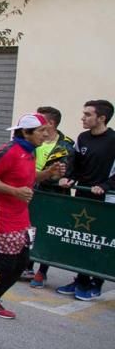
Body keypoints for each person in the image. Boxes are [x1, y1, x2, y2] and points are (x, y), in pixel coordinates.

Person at [0, 113, 48, 318]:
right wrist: (14, 191)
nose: (45, 135)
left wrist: (49, 173)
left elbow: (27, 176)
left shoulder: (31, 151)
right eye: (41, 131)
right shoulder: (9, 151)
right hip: (2, 217)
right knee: (5, 263)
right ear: (26, 132)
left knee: (21, 264)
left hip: (22, 218)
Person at [55, 99, 115, 300]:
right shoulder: (83, 137)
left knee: (98, 242)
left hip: (104, 199)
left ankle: (96, 283)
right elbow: (76, 164)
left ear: (101, 118)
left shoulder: (113, 140)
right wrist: (68, 177)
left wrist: (105, 186)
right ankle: (80, 280)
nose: (83, 117)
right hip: (82, 195)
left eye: (88, 114)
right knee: (81, 239)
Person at [26, 105, 75, 287]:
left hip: (53, 196)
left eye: (40, 119)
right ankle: (28, 265)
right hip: (31, 193)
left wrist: (48, 177)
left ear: (51, 123)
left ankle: (42, 272)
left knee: (49, 232)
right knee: (30, 229)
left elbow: (62, 175)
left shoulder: (66, 145)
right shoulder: (32, 138)